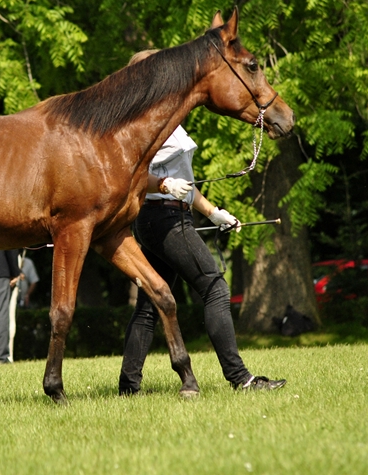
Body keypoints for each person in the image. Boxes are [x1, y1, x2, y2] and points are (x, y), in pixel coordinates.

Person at [119, 50, 286, 395]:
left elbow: (184, 182)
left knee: (151, 303)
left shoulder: (165, 116)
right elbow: (128, 175)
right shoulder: (139, 122)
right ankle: (240, 379)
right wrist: (162, 185)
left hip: (167, 214)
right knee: (214, 287)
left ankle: (128, 387)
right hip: (162, 217)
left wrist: (213, 213)